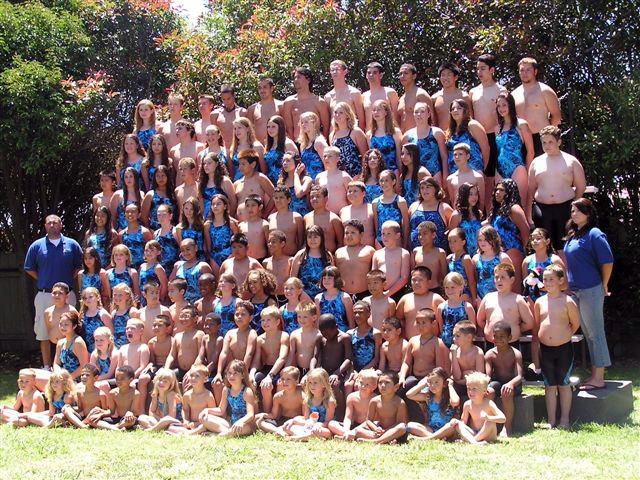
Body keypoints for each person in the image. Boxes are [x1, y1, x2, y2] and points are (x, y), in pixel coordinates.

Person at [564, 198, 613, 391]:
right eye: (572, 210)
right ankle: (594, 375)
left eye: (577, 210)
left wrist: (604, 284)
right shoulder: (574, 235)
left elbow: (607, 261)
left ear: (588, 213)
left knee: (595, 332)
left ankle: (598, 378)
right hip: (575, 291)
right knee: (588, 333)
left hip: (591, 289)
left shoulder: (594, 234)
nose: (573, 213)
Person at [24, 214, 83, 368]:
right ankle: (46, 366)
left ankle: (68, 365)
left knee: (69, 331)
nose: (52, 225)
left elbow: (79, 267)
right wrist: (44, 279)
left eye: (55, 222)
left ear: (61, 225)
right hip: (45, 294)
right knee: (43, 332)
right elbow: (29, 268)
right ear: (45, 226)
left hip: (67, 295)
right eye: (49, 223)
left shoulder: (72, 245)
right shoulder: (36, 246)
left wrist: (64, 285)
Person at [535, 265, 581, 427]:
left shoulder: (567, 301)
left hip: (563, 349)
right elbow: (538, 324)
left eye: (551, 279)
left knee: (563, 384)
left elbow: (575, 323)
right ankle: (551, 420)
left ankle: (565, 419)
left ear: (561, 281)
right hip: (545, 350)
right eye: (545, 279)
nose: (547, 282)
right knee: (549, 385)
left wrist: (564, 335)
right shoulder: (539, 302)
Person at [527, 125, 586, 251]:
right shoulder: (536, 162)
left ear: (558, 142)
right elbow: (531, 188)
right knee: (543, 246)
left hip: (565, 208)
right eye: (544, 142)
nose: (547, 145)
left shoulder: (571, 161)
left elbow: (581, 186)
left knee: (565, 246)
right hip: (542, 209)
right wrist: (530, 212)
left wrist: (573, 205)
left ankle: (564, 265)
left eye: (550, 142)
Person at [511, 57, 561, 157]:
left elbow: (556, 116)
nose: (525, 73)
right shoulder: (514, 94)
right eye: (522, 70)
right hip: (521, 140)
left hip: (541, 138)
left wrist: (550, 137)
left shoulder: (545, 91)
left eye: (528, 70)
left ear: (535, 71)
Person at [437, 371, 505, 444]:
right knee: (458, 424)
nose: (470, 392)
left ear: (484, 391)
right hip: (474, 432)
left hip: (489, 434)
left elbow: (503, 418)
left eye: (474, 389)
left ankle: (473, 441)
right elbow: (464, 422)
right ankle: (475, 442)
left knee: (490, 422)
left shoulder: (489, 403)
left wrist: (489, 418)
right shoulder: (467, 404)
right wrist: (456, 421)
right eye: (468, 388)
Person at [477, 263, 534, 345]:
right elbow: (480, 320)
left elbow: (529, 323)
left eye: (503, 277)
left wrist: (514, 329)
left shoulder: (518, 299)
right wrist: (489, 329)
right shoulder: (488, 298)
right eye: (496, 277)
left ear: (512, 280)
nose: (499, 280)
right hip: (491, 343)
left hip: (511, 343)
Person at [484, 320, 524, 437]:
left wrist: (510, 384)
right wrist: (485, 384)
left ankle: (507, 427)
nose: (498, 339)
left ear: (509, 337)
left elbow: (519, 376)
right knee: (489, 391)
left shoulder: (516, 353)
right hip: (498, 383)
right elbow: (488, 376)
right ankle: (488, 425)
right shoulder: (490, 354)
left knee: (506, 391)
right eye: (495, 336)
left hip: (514, 385)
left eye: (502, 336)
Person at [489, 179, 529, 291]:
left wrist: (526, 252)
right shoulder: (498, 209)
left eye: (501, 190)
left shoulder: (514, 208)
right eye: (496, 190)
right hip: (499, 251)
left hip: (512, 250)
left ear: (509, 192)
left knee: (514, 288)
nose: (497, 193)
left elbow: (525, 232)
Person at [200, 359, 258, 437]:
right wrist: (207, 410)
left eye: (235, 373)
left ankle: (218, 435)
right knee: (204, 418)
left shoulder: (247, 391)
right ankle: (227, 433)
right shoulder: (226, 390)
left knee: (241, 428)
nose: (231, 376)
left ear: (242, 375)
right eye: (229, 373)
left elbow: (250, 414)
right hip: (231, 423)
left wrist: (240, 422)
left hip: (246, 424)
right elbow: (221, 410)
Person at [495, 91, 535, 203]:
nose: (501, 108)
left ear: (511, 105)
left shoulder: (521, 124)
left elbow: (530, 152)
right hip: (500, 170)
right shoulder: (497, 128)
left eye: (504, 105)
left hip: (517, 168)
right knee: (501, 205)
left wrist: (529, 173)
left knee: (519, 203)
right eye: (498, 106)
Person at [250, 306, 289, 413]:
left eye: (268, 320)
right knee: (252, 383)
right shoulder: (260, 339)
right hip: (266, 368)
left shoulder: (283, 336)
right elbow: (256, 361)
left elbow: (282, 357)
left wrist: (270, 376)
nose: (265, 323)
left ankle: (273, 414)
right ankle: (259, 413)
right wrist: (251, 373)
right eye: (263, 320)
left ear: (277, 322)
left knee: (272, 385)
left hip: (280, 369)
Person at [281, 367, 336, 441]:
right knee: (294, 422)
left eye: (315, 383)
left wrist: (319, 425)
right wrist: (293, 421)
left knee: (325, 432)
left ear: (324, 384)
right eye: (310, 382)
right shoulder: (307, 400)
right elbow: (306, 419)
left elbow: (328, 422)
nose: (312, 386)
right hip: (310, 425)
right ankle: (305, 435)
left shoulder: (329, 401)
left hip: (323, 427)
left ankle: (298, 437)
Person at [355, 370, 409, 444]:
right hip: (379, 431)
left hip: (392, 431)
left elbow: (400, 422)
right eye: (380, 383)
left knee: (402, 427)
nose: (383, 385)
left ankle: (376, 441)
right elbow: (368, 420)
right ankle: (386, 439)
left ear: (396, 387)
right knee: (358, 431)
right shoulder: (374, 401)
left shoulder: (400, 402)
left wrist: (386, 431)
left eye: (387, 382)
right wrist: (375, 428)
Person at [406, 367, 460, 439]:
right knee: (410, 425)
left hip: (446, 429)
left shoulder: (449, 397)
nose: (433, 385)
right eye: (430, 382)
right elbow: (409, 395)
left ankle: (426, 438)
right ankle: (438, 437)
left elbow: (455, 402)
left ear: (444, 384)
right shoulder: (428, 397)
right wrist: (424, 384)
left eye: (436, 382)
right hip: (431, 429)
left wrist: (450, 385)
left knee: (451, 426)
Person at [402, 102, 448, 185]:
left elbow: (444, 156)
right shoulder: (407, 136)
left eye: (422, 111)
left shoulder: (437, 133)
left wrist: (445, 175)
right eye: (416, 112)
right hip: (415, 177)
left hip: (435, 175)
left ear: (429, 114)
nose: (419, 114)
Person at [215, 301, 258, 386]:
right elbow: (224, 353)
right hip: (230, 371)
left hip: (244, 371)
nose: (239, 317)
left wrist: (242, 374)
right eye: (237, 314)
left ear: (251, 318)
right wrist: (219, 373)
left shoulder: (251, 333)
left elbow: (249, 354)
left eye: (243, 314)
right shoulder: (230, 333)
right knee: (217, 384)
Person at [328, 368, 378, 440]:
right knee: (331, 424)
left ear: (374, 386)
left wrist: (354, 431)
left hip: (367, 427)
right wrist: (347, 430)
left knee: (376, 434)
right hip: (354, 425)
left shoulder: (375, 399)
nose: (363, 386)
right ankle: (349, 435)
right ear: (357, 382)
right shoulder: (351, 397)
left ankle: (348, 436)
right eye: (361, 382)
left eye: (367, 384)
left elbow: (371, 421)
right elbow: (348, 417)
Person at [317, 314, 353, 414]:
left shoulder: (344, 338)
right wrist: (313, 371)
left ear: (336, 327)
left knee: (334, 385)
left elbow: (348, 359)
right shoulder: (321, 338)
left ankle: (341, 413)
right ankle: (321, 412)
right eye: (323, 333)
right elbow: (315, 357)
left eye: (328, 333)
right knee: (315, 383)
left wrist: (336, 374)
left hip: (340, 372)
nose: (326, 336)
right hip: (324, 371)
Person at [396, 267, 444, 340]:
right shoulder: (405, 299)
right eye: (413, 280)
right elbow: (397, 320)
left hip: (433, 343)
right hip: (410, 343)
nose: (416, 283)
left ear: (429, 282)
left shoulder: (436, 298)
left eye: (420, 280)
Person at [283, 66, 331, 140]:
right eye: (295, 78)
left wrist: (323, 143)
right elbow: (289, 128)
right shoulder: (289, 102)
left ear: (308, 80)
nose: (296, 80)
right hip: (297, 142)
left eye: (299, 77)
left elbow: (326, 126)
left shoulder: (319, 102)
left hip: (315, 142)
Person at [255, 366, 303, 436]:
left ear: (296, 381)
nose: (284, 382)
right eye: (282, 379)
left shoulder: (302, 396)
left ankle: (282, 430)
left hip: (295, 422)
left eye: (288, 379)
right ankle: (279, 430)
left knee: (301, 425)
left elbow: (306, 417)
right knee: (259, 422)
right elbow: (274, 415)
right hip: (282, 420)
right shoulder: (278, 396)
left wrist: (294, 421)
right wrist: (263, 414)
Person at [335, 219, 376, 300]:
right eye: (346, 233)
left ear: (361, 234)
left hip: (364, 293)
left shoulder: (369, 250)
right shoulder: (338, 252)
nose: (349, 235)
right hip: (343, 294)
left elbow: (375, 273)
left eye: (353, 233)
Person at [93, 365, 143, 431]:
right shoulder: (112, 393)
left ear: (130, 380)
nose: (118, 381)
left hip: (130, 419)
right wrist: (101, 414)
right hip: (119, 419)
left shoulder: (135, 393)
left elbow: (134, 411)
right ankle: (117, 427)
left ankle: (114, 427)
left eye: (122, 379)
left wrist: (130, 413)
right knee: (93, 420)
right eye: (117, 379)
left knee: (130, 421)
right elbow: (111, 411)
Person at [446, 99, 488, 175]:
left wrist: (483, 169)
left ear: (465, 110)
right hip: (455, 174)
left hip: (473, 171)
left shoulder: (472, 125)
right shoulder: (451, 130)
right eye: (452, 109)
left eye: (459, 108)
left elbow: (486, 149)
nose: (455, 110)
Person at [165, 305, 205, 385]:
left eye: (186, 316)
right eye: (181, 316)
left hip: (195, 369)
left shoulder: (199, 334)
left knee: (189, 382)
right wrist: (166, 369)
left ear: (195, 319)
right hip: (180, 370)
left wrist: (192, 370)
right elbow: (171, 355)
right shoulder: (177, 336)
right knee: (164, 377)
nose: (183, 318)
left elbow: (200, 356)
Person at [409, 177, 452, 251]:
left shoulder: (444, 208)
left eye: (428, 187)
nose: (424, 190)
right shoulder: (413, 206)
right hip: (416, 252)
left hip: (438, 253)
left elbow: (452, 229)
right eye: (422, 188)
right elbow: (407, 228)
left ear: (436, 189)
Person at [371, 221, 410, 302]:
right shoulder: (377, 254)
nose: (385, 237)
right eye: (383, 234)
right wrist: (378, 291)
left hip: (397, 292)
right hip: (379, 292)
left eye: (388, 233)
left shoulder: (403, 253)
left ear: (397, 235)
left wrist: (388, 293)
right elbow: (373, 275)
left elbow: (404, 278)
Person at [172, 364, 216, 434]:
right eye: (191, 375)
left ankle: (192, 432)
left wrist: (197, 424)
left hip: (204, 423)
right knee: (173, 427)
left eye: (197, 376)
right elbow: (185, 410)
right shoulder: (187, 395)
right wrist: (186, 420)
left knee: (204, 426)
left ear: (205, 379)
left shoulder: (208, 396)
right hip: (191, 423)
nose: (193, 378)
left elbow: (213, 415)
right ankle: (191, 431)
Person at [61, 363, 107, 429]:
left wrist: (98, 412)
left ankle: (81, 424)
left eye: (87, 375)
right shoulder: (79, 392)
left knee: (94, 411)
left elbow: (105, 411)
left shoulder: (101, 394)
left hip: (93, 419)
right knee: (66, 408)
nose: (84, 377)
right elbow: (80, 409)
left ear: (96, 378)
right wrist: (70, 407)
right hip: (82, 417)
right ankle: (83, 425)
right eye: (82, 375)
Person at [473, 225, 512, 303]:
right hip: (481, 298)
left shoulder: (502, 258)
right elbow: (475, 279)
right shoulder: (476, 259)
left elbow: (510, 280)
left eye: (486, 240)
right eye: (480, 240)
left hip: (501, 299)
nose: (482, 243)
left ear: (494, 239)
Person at [436, 273, 476, 348]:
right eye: (447, 287)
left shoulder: (467, 307)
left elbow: (472, 329)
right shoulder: (441, 307)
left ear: (461, 287)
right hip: (446, 346)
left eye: (453, 287)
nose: (449, 290)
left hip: (464, 347)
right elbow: (441, 329)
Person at [286, 300, 323, 383]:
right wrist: (286, 371)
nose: (301, 319)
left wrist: (310, 374)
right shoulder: (294, 334)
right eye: (299, 316)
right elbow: (291, 355)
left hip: (313, 370)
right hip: (298, 370)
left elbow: (318, 358)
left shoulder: (318, 335)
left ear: (314, 318)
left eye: (305, 317)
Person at [330, 102, 369, 178]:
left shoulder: (356, 132)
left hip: (356, 175)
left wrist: (362, 175)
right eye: (335, 112)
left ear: (347, 115)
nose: (337, 115)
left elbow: (366, 155)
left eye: (341, 113)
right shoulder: (332, 135)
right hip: (340, 177)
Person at [324, 60, 366, 130]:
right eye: (332, 70)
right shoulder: (327, 97)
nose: (334, 72)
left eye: (337, 69)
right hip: (335, 134)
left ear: (345, 71)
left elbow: (362, 121)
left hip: (351, 132)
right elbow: (329, 122)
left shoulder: (354, 93)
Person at [219, 234, 263, 299]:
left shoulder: (253, 263)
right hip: (230, 300)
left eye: (240, 247)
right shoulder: (226, 264)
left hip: (249, 300)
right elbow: (220, 282)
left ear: (247, 248)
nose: (237, 250)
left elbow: (264, 281)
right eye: (234, 247)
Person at [372, 170, 409, 248]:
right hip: (380, 241)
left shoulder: (400, 201)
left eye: (386, 180)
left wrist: (405, 243)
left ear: (393, 181)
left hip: (396, 241)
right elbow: (376, 225)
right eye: (381, 180)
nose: (383, 183)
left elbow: (406, 225)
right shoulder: (375, 202)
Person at [204, 194, 239, 275]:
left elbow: (237, 242)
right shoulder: (207, 225)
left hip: (230, 255)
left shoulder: (231, 223)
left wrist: (233, 255)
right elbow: (209, 245)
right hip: (215, 257)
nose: (215, 206)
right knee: (218, 279)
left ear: (225, 206)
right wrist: (211, 258)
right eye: (213, 204)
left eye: (218, 204)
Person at [449, 321, 485, 399]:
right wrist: (454, 356)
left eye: (457, 336)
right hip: (459, 385)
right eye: (453, 336)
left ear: (469, 337)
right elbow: (457, 376)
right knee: (449, 384)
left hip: (474, 385)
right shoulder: (454, 352)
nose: (454, 339)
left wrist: (462, 379)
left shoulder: (478, 352)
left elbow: (480, 376)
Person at [432, 63, 472, 132]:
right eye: (443, 75)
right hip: (441, 135)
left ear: (456, 77)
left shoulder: (464, 96)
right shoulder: (434, 98)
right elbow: (433, 121)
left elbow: (471, 118)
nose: (445, 78)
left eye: (449, 75)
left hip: (461, 135)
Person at [446, 143, 485, 212]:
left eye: (460, 154)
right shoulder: (450, 179)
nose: (457, 157)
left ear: (468, 156)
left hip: (473, 215)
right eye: (455, 154)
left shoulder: (478, 177)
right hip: (458, 215)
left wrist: (477, 216)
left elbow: (482, 201)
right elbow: (452, 200)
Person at [448, 182, 484, 257]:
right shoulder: (457, 215)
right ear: (464, 196)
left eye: (476, 194)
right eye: (470, 194)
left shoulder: (479, 213)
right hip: (462, 255)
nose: (474, 197)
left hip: (478, 254)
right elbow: (451, 238)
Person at [304, 185, 344, 252]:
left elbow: (341, 243)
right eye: (312, 197)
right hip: (310, 255)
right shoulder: (306, 217)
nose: (314, 199)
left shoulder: (334, 219)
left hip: (328, 255)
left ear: (326, 199)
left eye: (318, 196)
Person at [362, 61, 399, 132]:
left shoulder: (390, 93)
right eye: (369, 73)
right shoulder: (364, 96)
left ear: (381, 75)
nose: (371, 75)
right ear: (366, 76)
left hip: (388, 133)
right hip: (370, 135)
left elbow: (396, 117)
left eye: (375, 72)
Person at [396, 63, 434, 133]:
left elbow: (433, 119)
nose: (402, 76)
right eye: (400, 74)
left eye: (406, 73)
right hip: (404, 137)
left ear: (414, 76)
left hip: (420, 137)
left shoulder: (421, 94)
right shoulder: (401, 99)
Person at [315, 146, 352, 215]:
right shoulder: (319, 177)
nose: (326, 158)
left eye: (330, 156)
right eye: (325, 156)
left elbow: (352, 199)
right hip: (325, 215)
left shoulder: (344, 177)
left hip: (341, 214)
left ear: (338, 159)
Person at [315, 266, 354, 333]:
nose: (326, 281)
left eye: (329, 278)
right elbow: (318, 321)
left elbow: (351, 322)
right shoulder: (318, 298)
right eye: (324, 278)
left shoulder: (345, 297)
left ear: (336, 279)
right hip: (324, 334)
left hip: (342, 333)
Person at [411, 221, 448, 291]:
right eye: (419, 234)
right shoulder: (415, 251)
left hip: (435, 289)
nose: (421, 237)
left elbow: (444, 275)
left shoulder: (440, 253)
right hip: (419, 290)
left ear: (433, 235)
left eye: (425, 233)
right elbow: (413, 273)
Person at [247, 77, 284, 146]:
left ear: (271, 88)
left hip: (277, 146)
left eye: (265, 87)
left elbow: (287, 128)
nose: (262, 90)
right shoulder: (252, 109)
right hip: (258, 147)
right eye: (259, 88)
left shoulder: (281, 106)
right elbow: (249, 132)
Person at [263, 115, 298, 186]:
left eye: (273, 126)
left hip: (284, 182)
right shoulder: (268, 145)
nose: (270, 129)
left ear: (280, 127)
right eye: (268, 127)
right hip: (270, 182)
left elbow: (297, 164)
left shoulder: (288, 143)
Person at [368, 100, 402, 171]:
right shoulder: (370, 134)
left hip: (392, 172)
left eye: (379, 110)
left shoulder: (395, 132)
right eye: (374, 110)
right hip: (377, 173)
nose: (376, 112)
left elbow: (399, 157)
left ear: (386, 112)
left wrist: (400, 173)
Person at [142, 164, 178, 232]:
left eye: (163, 175)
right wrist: (149, 229)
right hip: (155, 231)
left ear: (167, 176)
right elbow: (144, 215)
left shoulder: (174, 193)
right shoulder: (150, 194)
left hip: (172, 231)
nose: (160, 178)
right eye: (158, 176)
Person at [229, 119, 266, 183]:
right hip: (237, 183)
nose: (237, 131)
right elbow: (232, 172)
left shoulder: (256, 147)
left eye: (239, 127)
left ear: (247, 129)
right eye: (235, 128)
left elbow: (264, 170)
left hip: (253, 183)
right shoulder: (233, 148)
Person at [213, 84, 248, 152]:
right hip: (222, 151)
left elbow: (248, 132)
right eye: (223, 99)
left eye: (229, 98)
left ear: (234, 95)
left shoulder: (242, 112)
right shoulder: (215, 114)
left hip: (238, 149)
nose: (226, 102)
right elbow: (213, 134)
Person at [340, 181, 375, 247]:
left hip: (368, 249)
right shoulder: (343, 211)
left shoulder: (372, 208)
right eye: (349, 191)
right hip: (348, 249)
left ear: (363, 193)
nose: (351, 193)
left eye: (355, 191)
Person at [447, 228, 477, 304]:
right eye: (450, 241)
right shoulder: (449, 258)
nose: (452, 244)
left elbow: (471, 281)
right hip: (452, 294)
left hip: (464, 295)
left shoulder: (465, 259)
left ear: (463, 242)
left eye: (455, 241)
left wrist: (474, 299)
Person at [170, 121, 205, 185]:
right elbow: (175, 172)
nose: (177, 131)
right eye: (176, 129)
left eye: (180, 128)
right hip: (179, 186)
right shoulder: (173, 150)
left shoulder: (200, 147)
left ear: (189, 131)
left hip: (195, 185)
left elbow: (202, 169)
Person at [278, 152, 312, 217]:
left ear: (297, 163)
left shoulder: (306, 179)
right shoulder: (281, 182)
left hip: (303, 217)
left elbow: (299, 194)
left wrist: (296, 174)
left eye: (288, 160)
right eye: (283, 161)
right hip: (287, 218)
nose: (284, 163)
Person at [262, 230, 293, 300]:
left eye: (273, 242)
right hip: (271, 297)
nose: (270, 244)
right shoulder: (265, 262)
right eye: (269, 241)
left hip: (287, 296)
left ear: (282, 244)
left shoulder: (290, 261)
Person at [238, 194, 270, 261]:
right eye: (247, 206)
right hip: (246, 260)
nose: (250, 208)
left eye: (253, 205)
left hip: (261, 258)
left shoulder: (264, 224)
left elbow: (269, 244)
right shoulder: (241, 226)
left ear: (260, 207)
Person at [298, 111, 328, 183]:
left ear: (314, 123)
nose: (303, 125)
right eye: (302, 123)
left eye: (306, 122)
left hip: (320, 182)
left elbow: (327, 164)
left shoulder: (319, 142)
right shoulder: (303, 145)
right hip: (308, 183)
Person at [213, 273, 241, 338]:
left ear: (233, 286)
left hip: (233, 336)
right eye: (220, 281)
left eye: (226, 281)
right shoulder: (215, 302)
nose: (222, 283)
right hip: (219, 337)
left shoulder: (237, 302)